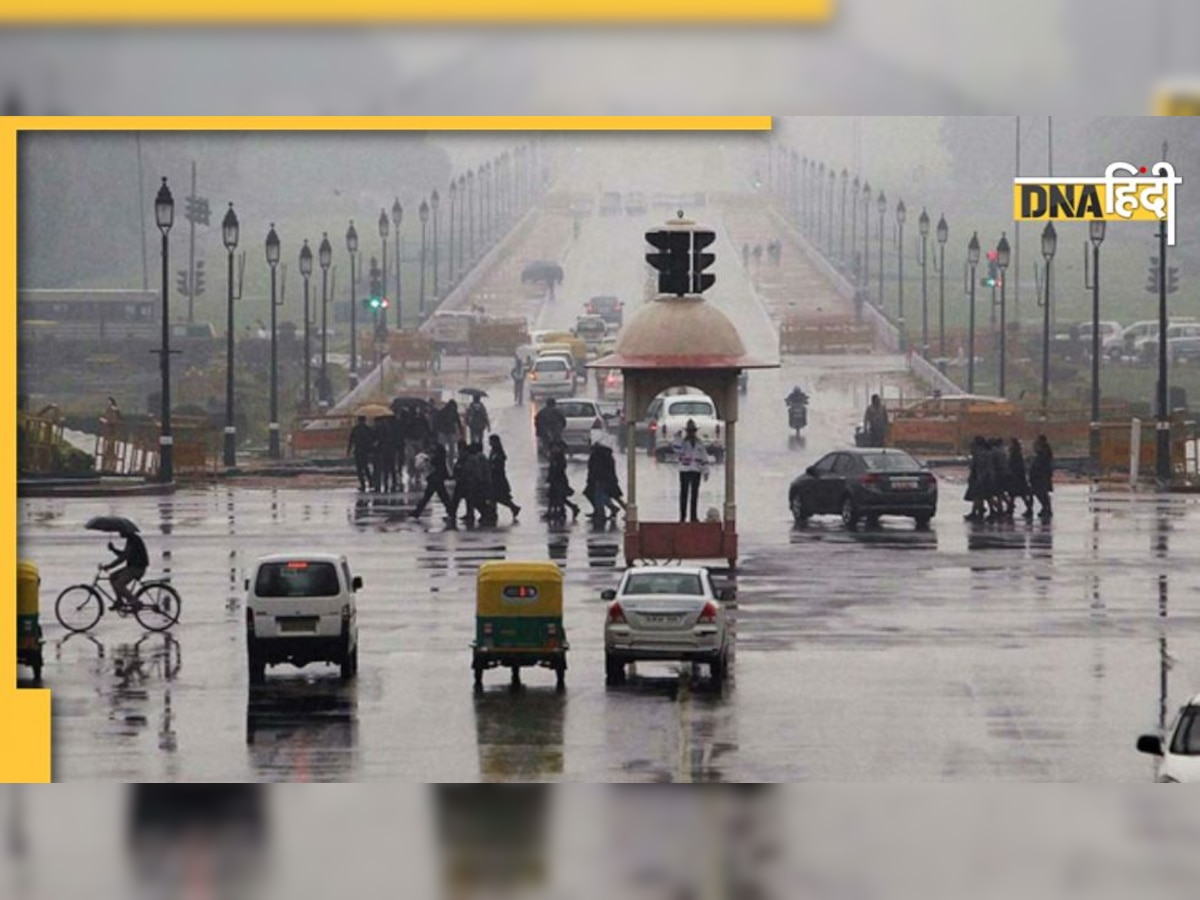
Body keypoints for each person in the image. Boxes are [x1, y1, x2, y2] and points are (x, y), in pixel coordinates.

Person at [673, 419, 712, 524]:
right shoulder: (682, 443)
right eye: (689, 431)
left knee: (694, 494)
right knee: (684, 494)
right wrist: (677, 438)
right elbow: (676, 450)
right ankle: (682, 517)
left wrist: (706, 471)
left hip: (696, 470)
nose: (691, 433)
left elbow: (704, 457)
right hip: (685, 470)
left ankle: (693, 517)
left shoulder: (699, 443)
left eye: (692, 431)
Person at [103, 530, 149, 608]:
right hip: (132, 567)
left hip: (137, 568)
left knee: (119, 584)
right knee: (113, 577)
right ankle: (119, 601)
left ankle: (135, 601)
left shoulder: (133, 540)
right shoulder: (131, 539)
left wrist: (110, 566)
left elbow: (124, 557)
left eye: (121, 531)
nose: (120, 533)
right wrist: (114, 549)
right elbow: (125, 554)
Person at [412, 442, 453, 521]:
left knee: (431, 496)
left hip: (435, 478)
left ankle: (417, 512)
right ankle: (451, 511)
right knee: (442, 496)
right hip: (437, 478)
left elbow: (434, 463)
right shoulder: (440, 455)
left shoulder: (437, 456)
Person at [488, 434, 521, 521]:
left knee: (498, 497)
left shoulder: (498, 452)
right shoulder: (493, 451)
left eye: (491, 441)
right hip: (495, 477)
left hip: (498, 478)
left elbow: (498, 464)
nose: (489, 443)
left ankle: (512, 508)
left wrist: (492, 467)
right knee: (495, 497)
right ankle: (494, 512)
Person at [546, 441, 580, 522]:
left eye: (555, 447)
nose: (554, 449)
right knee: (554, 496)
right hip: (555, 479)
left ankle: (563, 510)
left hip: (559, 479)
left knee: (558, 496)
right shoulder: (554, 456)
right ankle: (557, 511)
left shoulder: (559, 457)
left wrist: (553, 475)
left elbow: (559, 468)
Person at [346, 415, 376, 492]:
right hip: (365, 450)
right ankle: (371, 482)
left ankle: (362, 484)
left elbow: (351, 440)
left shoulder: (355, 429)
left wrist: (348, 451)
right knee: (366, 467)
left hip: (358, 450)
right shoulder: (368, 429)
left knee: (359, 469)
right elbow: (373, 438)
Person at [1029, 434, 1054, 521]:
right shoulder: (1044, 452)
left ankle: (1046, 507)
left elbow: (1041, 463)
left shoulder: (1044, 452)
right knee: (1040, 492)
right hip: (1040, 474)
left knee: (1041, 492)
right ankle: (1045, 508)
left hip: (1041, 475)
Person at [1007, 437, 1033, 520]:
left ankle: (1012, 509)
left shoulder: (1015, 455)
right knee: (1016, 494)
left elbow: (1015, 466)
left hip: (1016, 477)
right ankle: (1011, 509)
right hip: (1018, 477)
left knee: (1016, 494)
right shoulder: (1017, 454)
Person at [964, 435, 988, 522]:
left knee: (978, 496)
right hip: (977, 477)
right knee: (977, 496)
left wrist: (980, 477)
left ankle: (978, 512)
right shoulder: (979, 453)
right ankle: (976, 511)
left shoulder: (980, 454)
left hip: (978, 477)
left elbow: (980, 467)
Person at [372, 416, 398, 493]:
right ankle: (393, 482)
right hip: (390, 450)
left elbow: (378, 439)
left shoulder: (379, 429)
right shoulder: (390, 428)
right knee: (390, 467)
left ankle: (384, 482)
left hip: (382, 451)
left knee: (382, 467)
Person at [434, 399, 463, 466]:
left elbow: (437, 421)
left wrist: (437, 429)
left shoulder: (442, 411)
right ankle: (450, 460)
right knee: (451, 448)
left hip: (443, 431)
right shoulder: (454, 412)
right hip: (450, 431)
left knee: (442, 447)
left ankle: (442, 459)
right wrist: (461, 430)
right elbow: (458, 422)